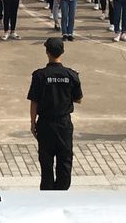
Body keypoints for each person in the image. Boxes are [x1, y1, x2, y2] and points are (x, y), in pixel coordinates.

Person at [27, 37, 83, 191]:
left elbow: (34, 101)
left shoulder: (39, 75)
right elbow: (78, 99)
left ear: (47, 52)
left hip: (45, 124)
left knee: (46, 163)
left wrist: (33, 123)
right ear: (62, 52)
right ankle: (61, 193)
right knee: (65, 161)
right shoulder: (71, 75)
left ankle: (47, 194)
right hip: (64, 124)